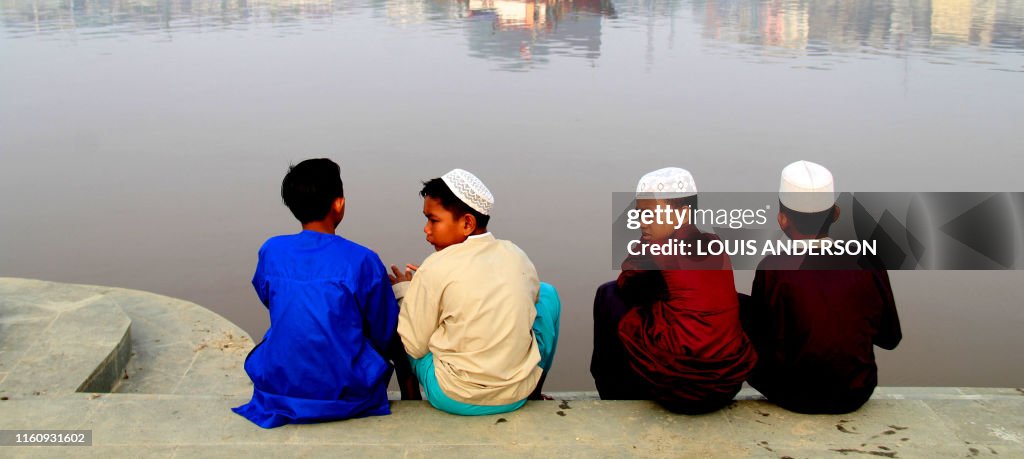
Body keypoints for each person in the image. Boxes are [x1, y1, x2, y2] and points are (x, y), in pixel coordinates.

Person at [233, 158, 399, 428]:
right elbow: (383, 330)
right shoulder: (362, 259)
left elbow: (270, 298)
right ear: (339, 204)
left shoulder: (271, 251)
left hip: (279, 391)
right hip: (347, 395)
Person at [390, 168, 560, 415]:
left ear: (467, 223)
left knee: (406, 327)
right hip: (516, 394)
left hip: (453, 396)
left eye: (433, 220)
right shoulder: (516, 255)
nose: (426, 229)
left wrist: (410, 292)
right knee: (548, 294)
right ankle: (535, 390)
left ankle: (411, 400)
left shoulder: (434, 267)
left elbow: (415, 347)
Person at [591, 167, 757, 414]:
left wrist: (644, 247)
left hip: (678, 392)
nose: (642, 223)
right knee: (736, 301)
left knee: (609, 294)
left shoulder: (656, 250)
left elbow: (627, 284)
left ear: (682, 214)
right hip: (725, 387)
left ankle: (614, 392)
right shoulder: (715, 244)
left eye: (650, 215)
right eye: (639, 215)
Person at [741, 160, 902, 414]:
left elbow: (763, 338)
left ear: (782, 219)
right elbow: (890, 338)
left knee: (737, 305)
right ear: (835, 214)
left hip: (792, 395)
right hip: (856, 392)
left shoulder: (772, 266)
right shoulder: (867, 260)